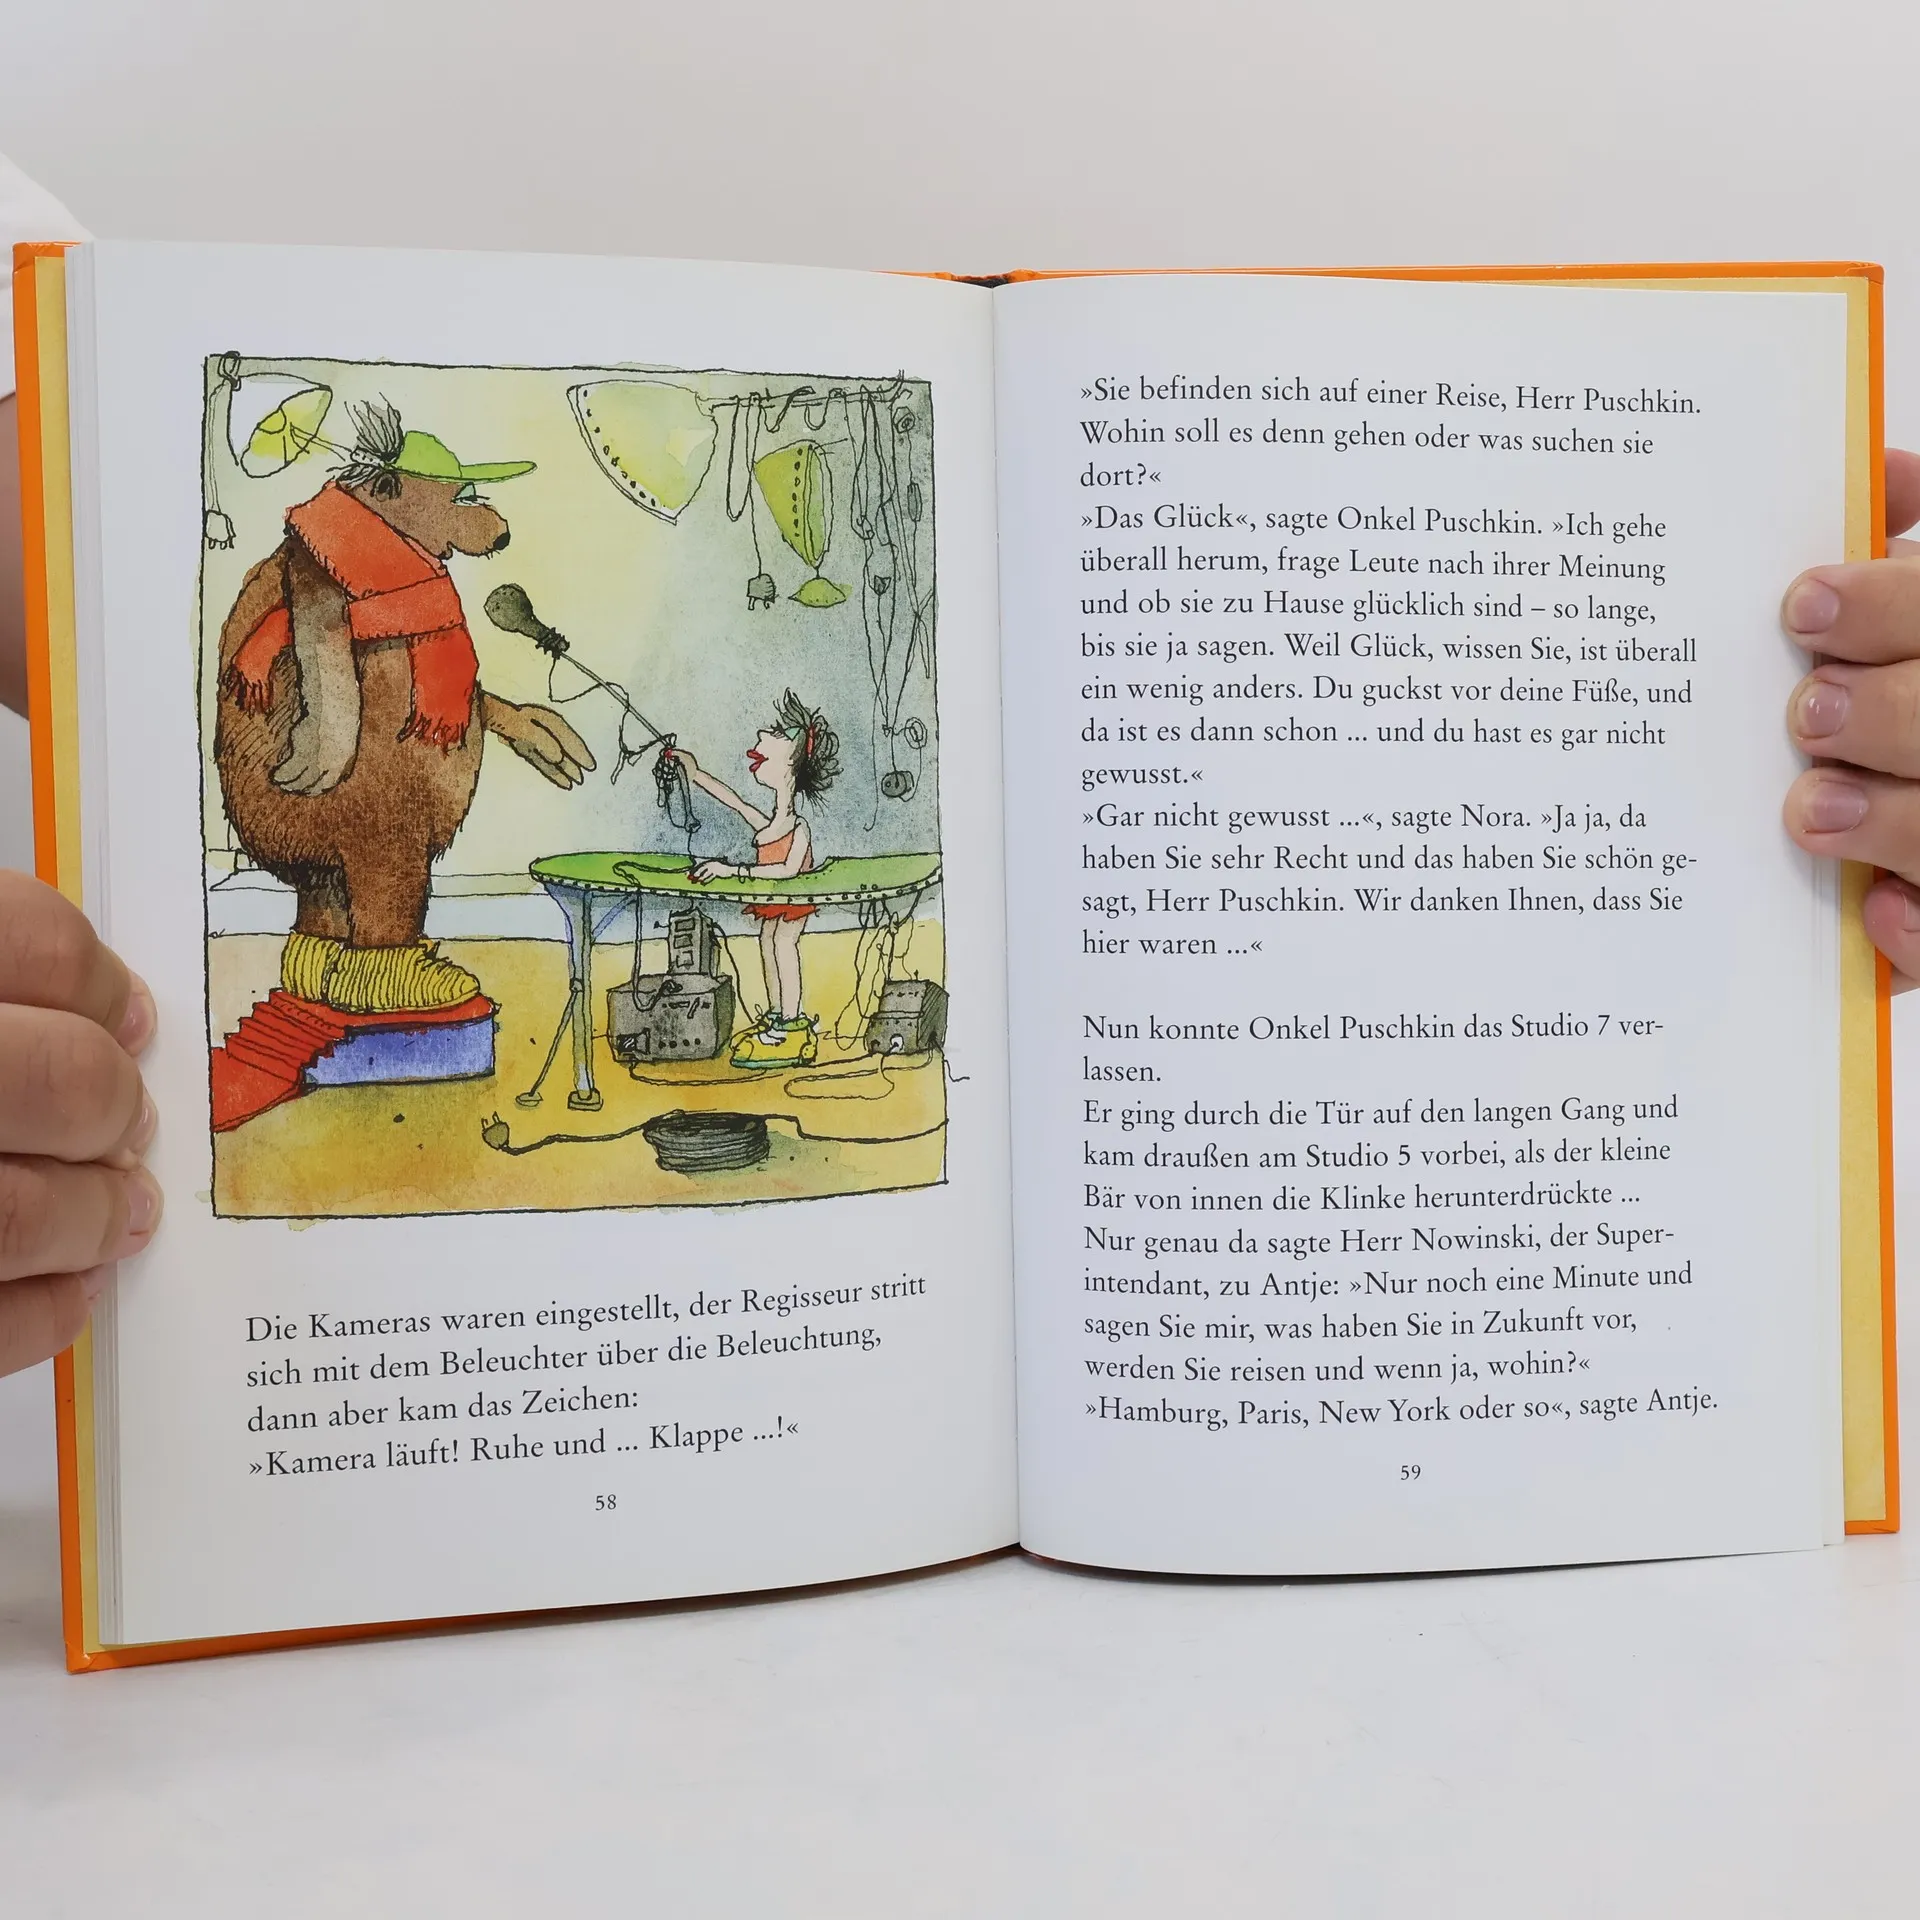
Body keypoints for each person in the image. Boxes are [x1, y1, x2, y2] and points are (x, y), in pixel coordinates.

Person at [677, 690, 840, 1069]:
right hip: (772, 901)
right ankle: (777, 1016)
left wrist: (730, 870)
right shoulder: (770, 824)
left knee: (783, 944)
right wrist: (694, 773)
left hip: (793, 900)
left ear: (792, 764)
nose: (763, 737)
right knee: (767, 942)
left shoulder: (798, 827)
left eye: (776, 735)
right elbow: (735, 802)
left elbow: (787, 871)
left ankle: (792, 1024)